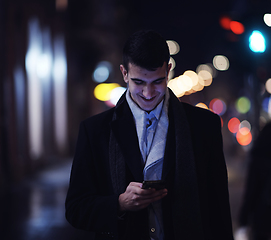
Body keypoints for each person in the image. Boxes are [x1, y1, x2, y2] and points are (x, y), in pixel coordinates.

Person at [65, 29, 234, 240]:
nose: (148, 93)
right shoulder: (95, 131)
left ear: (168, 71)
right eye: (139, 82)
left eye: (157, 82)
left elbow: (219, 210)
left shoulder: (204, 126)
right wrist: (119, 204)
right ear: (124, 73)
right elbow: (75, 209)